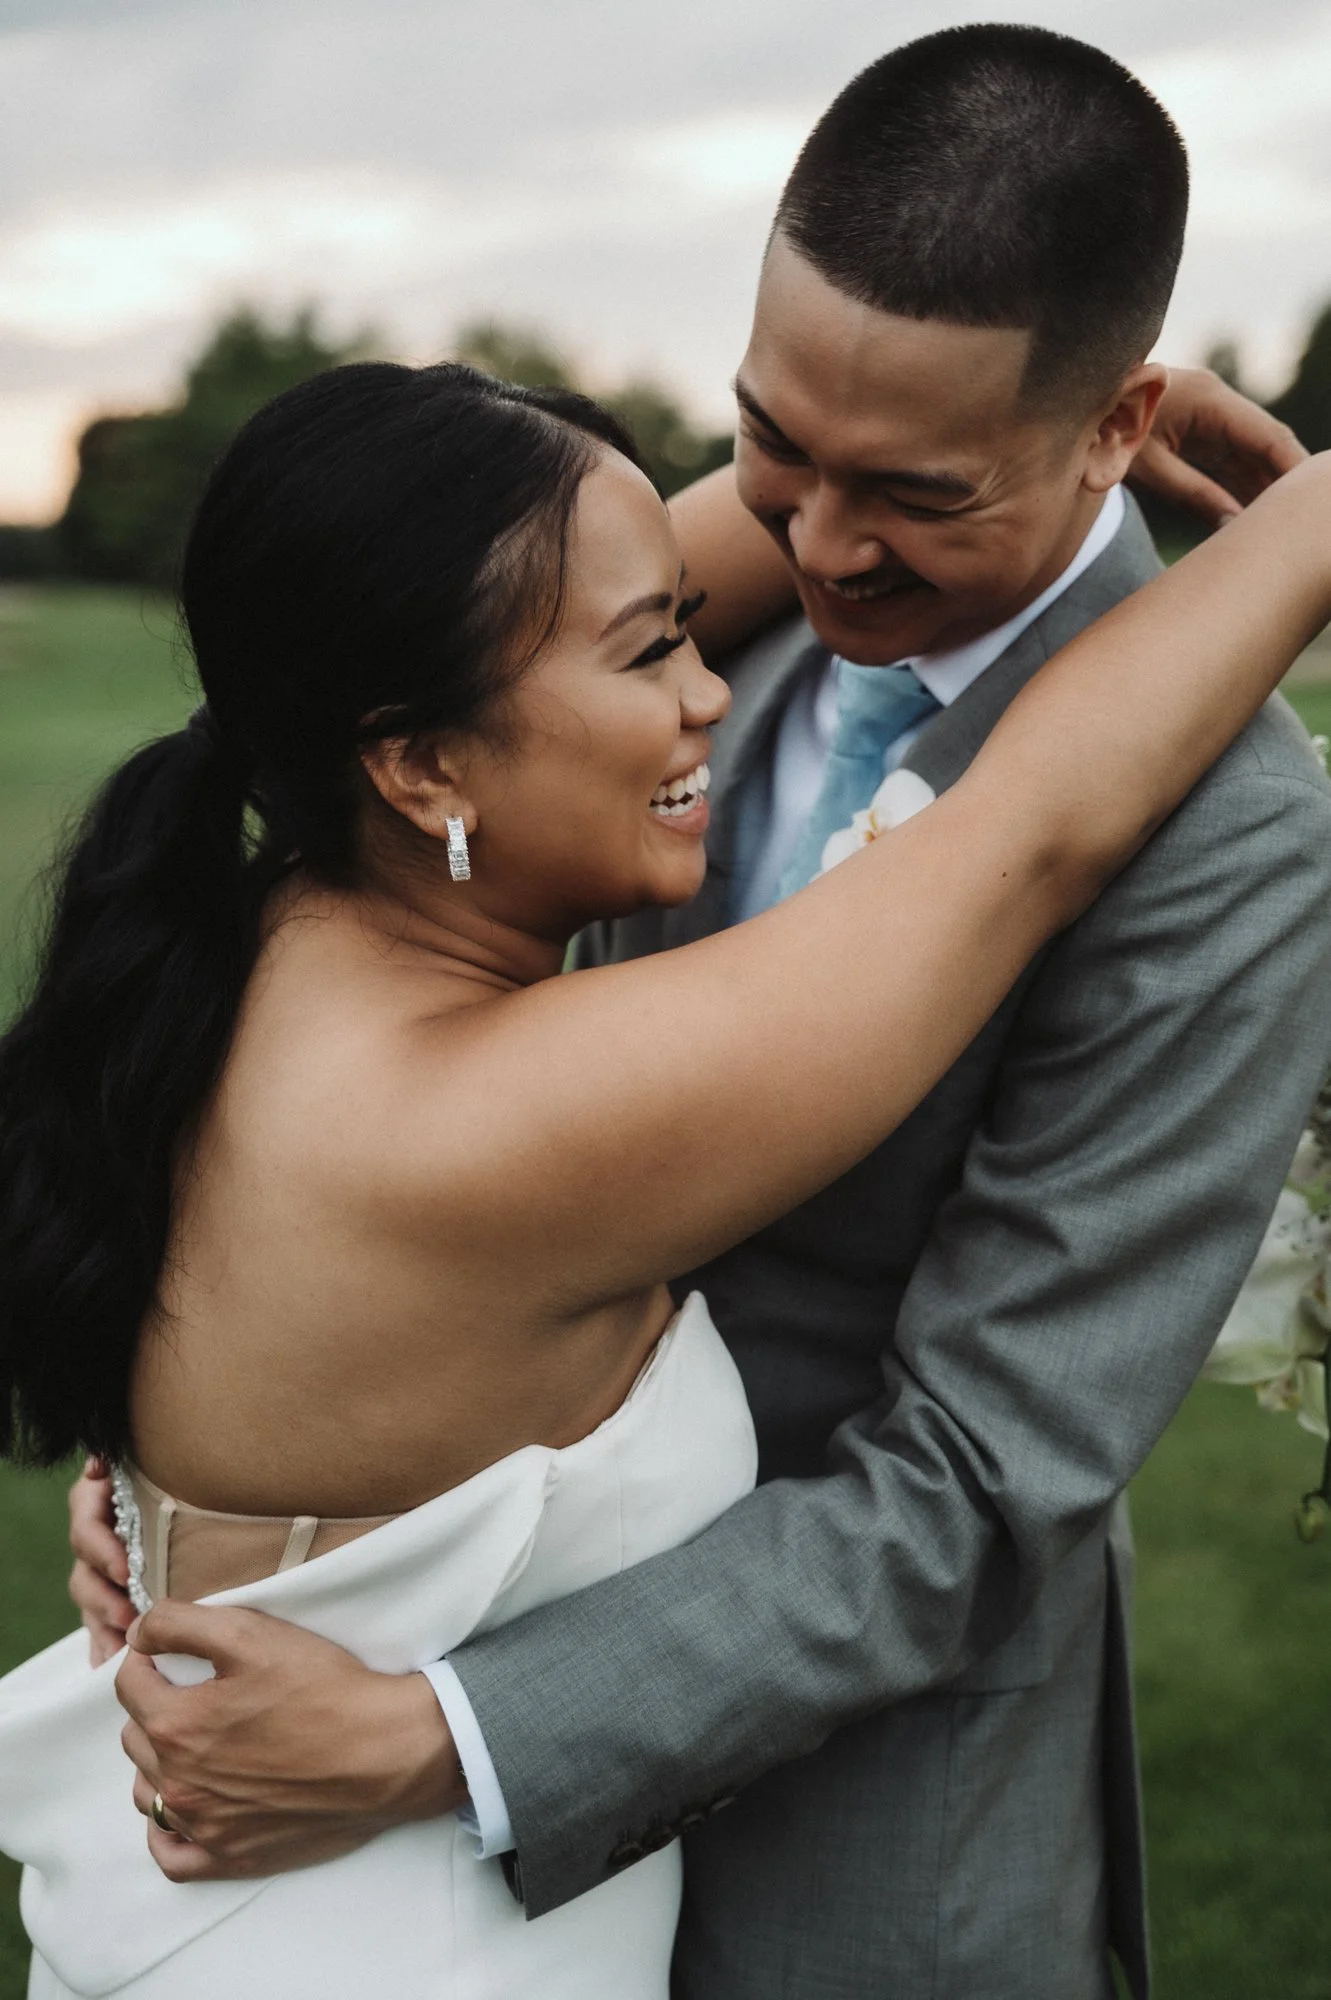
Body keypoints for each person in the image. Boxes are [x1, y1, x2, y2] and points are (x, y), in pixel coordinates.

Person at [52, 24, 1331, 2000]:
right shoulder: (612, 641)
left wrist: (418, 1693)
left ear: (1114, 423)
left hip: (854, 1855)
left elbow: (981, 1478)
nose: (817, 548)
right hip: (366, 1825)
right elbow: (1003, 828)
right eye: (770, 447)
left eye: (911, 489)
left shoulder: (1228, 834)